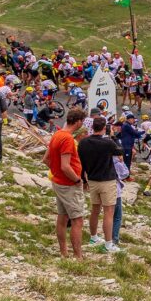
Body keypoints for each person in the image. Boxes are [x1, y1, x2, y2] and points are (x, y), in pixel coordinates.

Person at [45, 108, 87, 259]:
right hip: (69, 184)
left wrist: (56, 172)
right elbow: (65, 165)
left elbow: (46, 159)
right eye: (82, 121)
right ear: (78, 122)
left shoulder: (57, 134)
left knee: (62, 216)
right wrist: (77, 179)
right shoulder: (68, 139)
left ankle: (64, 251)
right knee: (77, 219)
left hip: (58, 182)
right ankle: (78, 256)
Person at [78, 116, 122, 252]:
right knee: (109, 212)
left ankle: (93, 237)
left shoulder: (83, 143)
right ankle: (109, 244)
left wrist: (84, 180)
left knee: (95, 210)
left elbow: (82, 163)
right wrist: (113, 137)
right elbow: (120, 152)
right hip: (107, 180)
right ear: (104, 128)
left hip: (92, 179)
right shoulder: (108, 143)